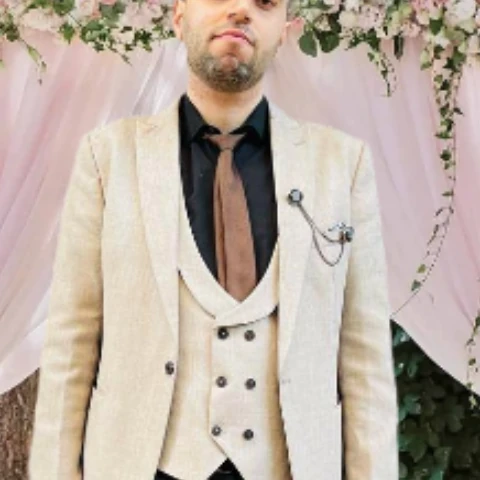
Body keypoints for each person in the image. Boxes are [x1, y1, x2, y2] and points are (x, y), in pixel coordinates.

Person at [28, 0, 399, 478]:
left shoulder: (342, 164)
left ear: (285, 30)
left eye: (264, 2)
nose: (240, 9)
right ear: (179, 17)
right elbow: (71, 341)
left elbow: (366, 359)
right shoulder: (107, 158)